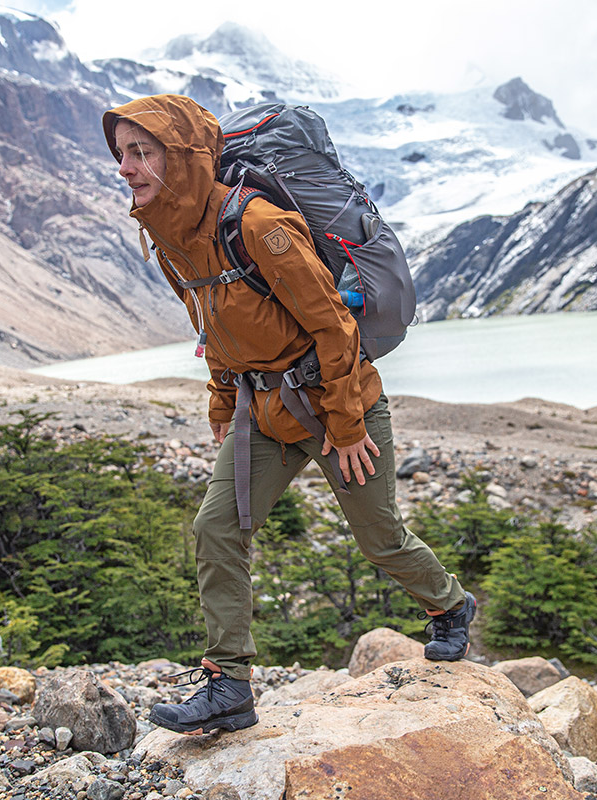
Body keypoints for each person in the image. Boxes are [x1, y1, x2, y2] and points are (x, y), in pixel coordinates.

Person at [102, 94, 475, 736]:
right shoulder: (170, 238)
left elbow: (333, 325)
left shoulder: (259, 224)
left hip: (334, 401)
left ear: (184, 154)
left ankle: (450, 606)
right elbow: (211, 323)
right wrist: (223, 400)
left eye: (143, 152)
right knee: (216, 529)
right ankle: (229, 686)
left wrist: (348, 422)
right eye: (122, 154)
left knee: (379, 538)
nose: (127, 167)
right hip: (264, 411)